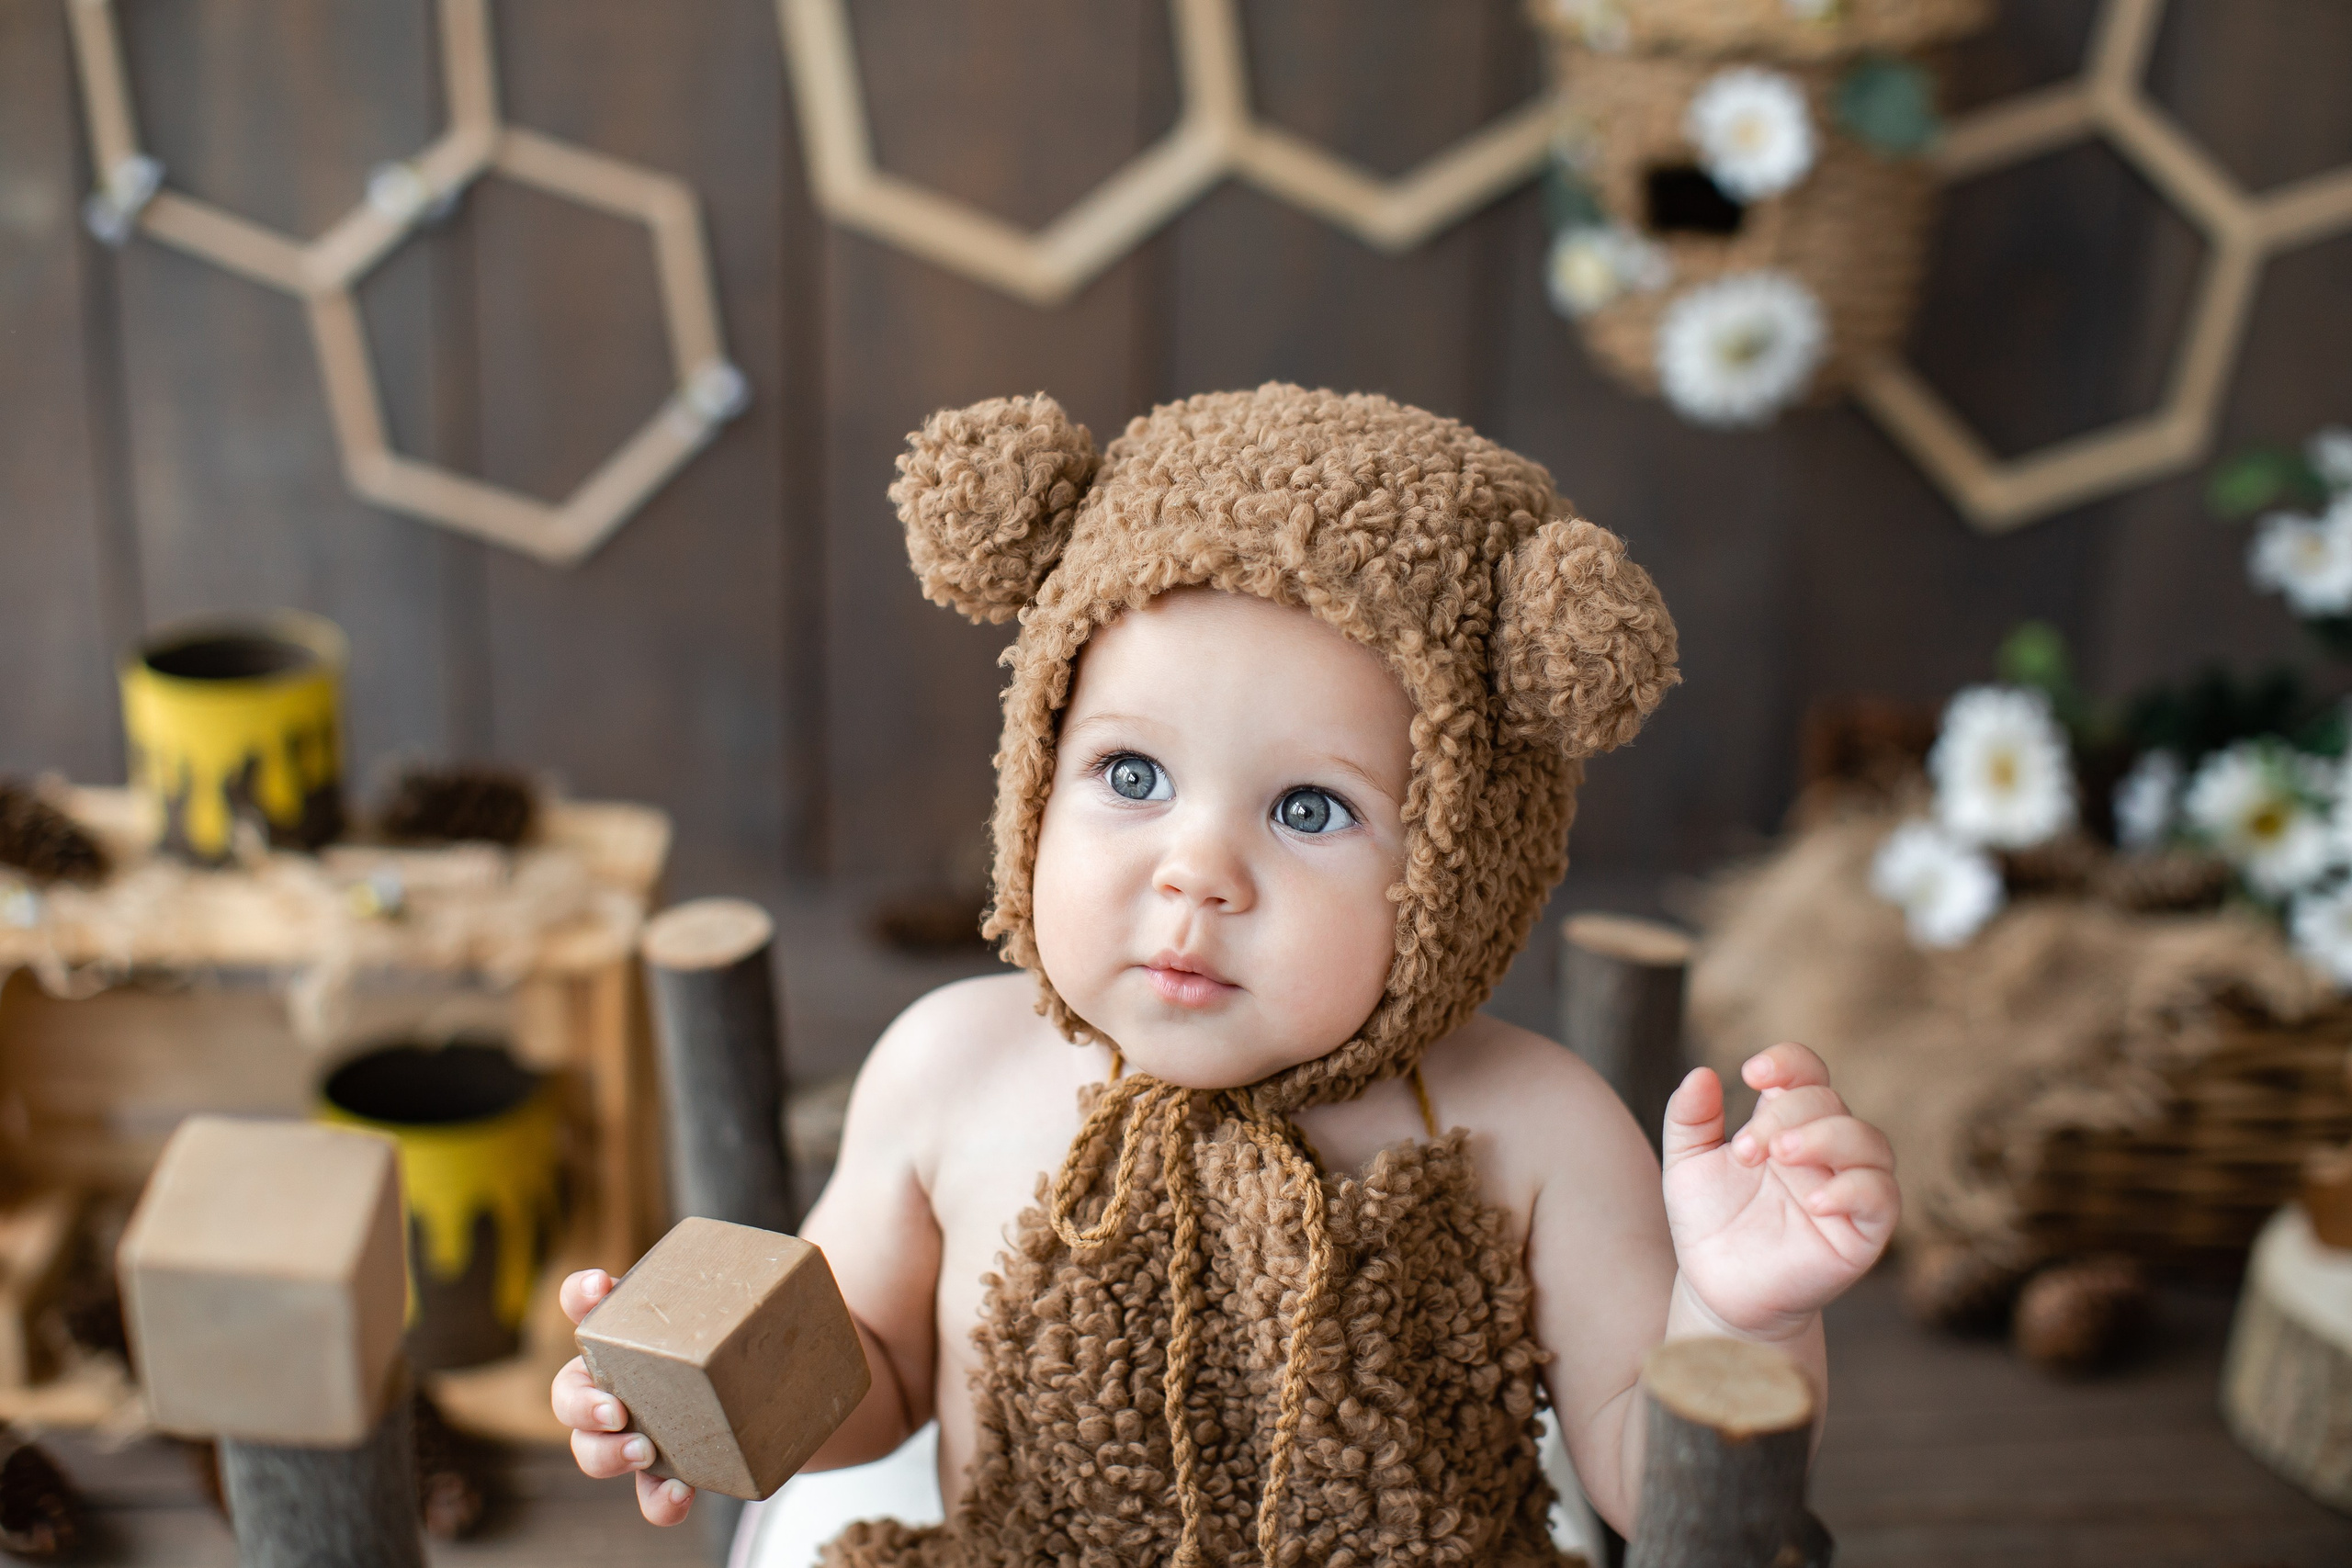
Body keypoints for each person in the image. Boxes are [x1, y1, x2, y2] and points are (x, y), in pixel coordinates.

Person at [552, 386, 1897, 1567]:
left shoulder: (1537, 1131)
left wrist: (1739, 1315)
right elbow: (877, 1375)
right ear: (1034, 779)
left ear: (1461, 860)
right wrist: (703, 1394)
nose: (1198, 873)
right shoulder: (951, 1072)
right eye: (1131, 776)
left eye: (1310, 810)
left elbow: (1646, 1491)